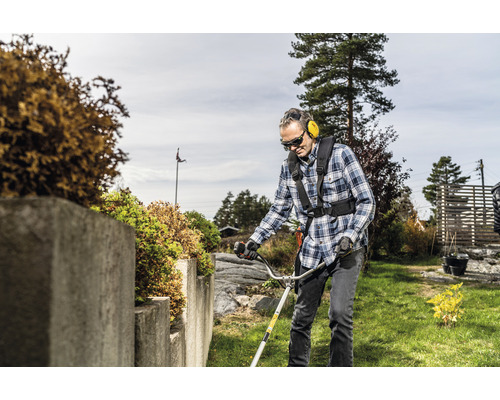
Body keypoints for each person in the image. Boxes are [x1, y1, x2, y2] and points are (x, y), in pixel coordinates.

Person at [241, 108, 375, 367]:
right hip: (312, 251)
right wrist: (255, 240)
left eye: (296, 141)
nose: (292, 148)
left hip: (345, 248)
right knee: (301, 318)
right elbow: (279, 209)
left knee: (339, 315)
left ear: (311, 131)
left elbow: (367, 201)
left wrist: (350, 235)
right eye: (286, 144)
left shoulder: (341, 155)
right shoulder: (288, 168)